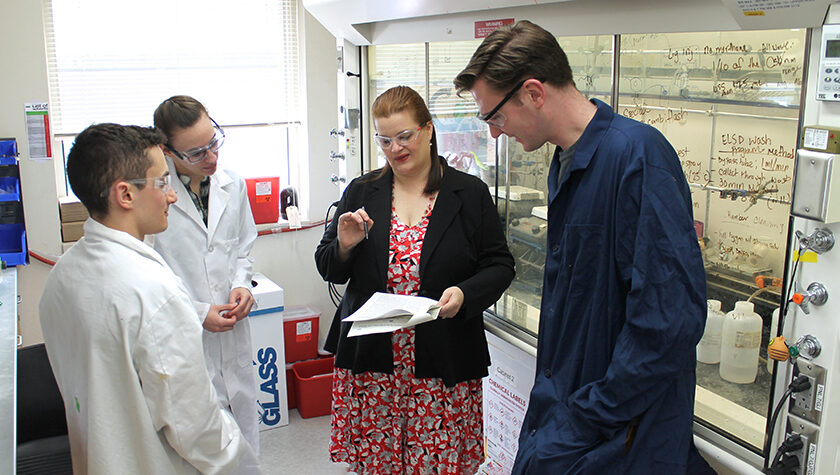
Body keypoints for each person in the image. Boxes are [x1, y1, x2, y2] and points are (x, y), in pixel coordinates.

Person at [455, 20, 712, 474]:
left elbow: (668, 322)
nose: (494, 132)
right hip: (572, 411)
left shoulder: (637, 157)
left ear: (533, 92)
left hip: (616, 430)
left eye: (494, 115)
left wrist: (590, 414)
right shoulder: (566, 159)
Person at [315, 86, 515, 474]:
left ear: (427, 130)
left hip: (443, 360)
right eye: (384, 140)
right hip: (372, 362)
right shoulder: (362, 190)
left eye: (404, 136)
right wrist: (344, 244)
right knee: (378, 461)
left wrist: (464, 293)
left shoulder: (468, 193)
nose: (395, 149)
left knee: (436, 462)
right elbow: (329, 268)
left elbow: (499, 264)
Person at [39, 123, 250, 474]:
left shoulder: (63, 275)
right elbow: (194, 426)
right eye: (162, 183)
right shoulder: (152, 291)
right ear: (125, 195)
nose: (171, 196)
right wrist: (233, 446)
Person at [150, 96, 261, 474]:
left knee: (244, 433)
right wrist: (199, 313)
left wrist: (243, 286)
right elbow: (152, 276)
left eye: (214, 142)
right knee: (199, 446)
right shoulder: (154, 196)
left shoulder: (232, 184)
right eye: (196, 153)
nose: (212, 158)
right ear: (167, 150)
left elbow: (243, 249)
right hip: (186, 339)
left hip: (233, 332)